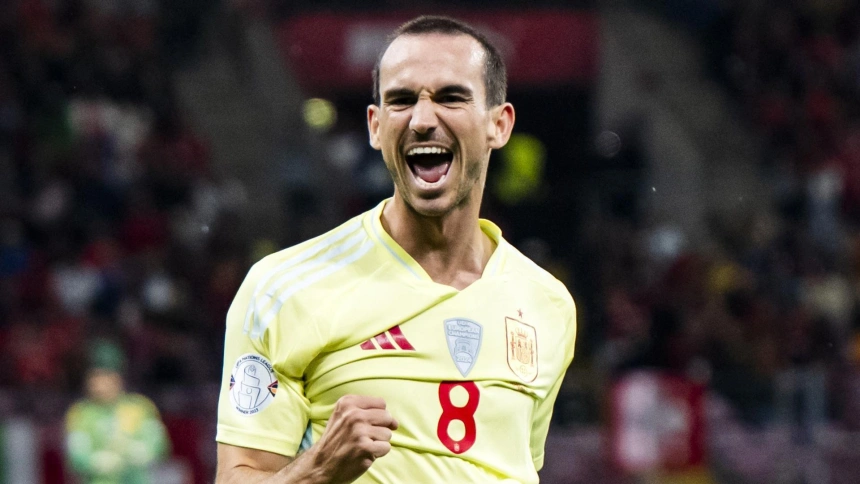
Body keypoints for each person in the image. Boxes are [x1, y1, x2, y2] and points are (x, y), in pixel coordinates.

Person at [215, 15, 577, 484]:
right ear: (375, 125)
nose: (423, 121)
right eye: (402, 100)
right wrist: (316, 471)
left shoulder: (547, 304)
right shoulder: (281, 290)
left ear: (499, 124)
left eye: (451, 97)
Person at [65, 340, 171, 484]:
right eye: (93, 376)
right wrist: (97, 461)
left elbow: (159, 445)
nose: (96, 383)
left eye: (103, 376)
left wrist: (137, 451)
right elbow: (76, 455)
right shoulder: (81, 413)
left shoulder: (140, 407)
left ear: (118, 377)